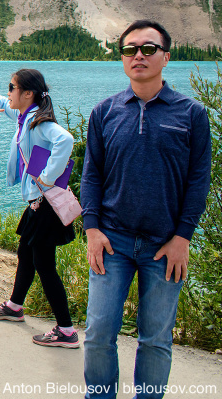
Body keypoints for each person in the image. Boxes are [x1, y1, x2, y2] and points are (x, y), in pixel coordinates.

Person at [81, 21, 211, 396]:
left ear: (166, 57)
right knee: (98, 333)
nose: (139, 55)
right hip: (112, 242)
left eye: (149, 48)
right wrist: (92, 230)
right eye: (130, 49)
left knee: (156, 338)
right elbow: (91, 177)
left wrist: (183, 237)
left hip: (165, 246)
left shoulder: (191, 114)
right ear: (122, 58)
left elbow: (198, 181)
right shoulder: (105, 112)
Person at [0, 68, 78, 348]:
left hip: (44, 203)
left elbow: (66, 140)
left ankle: (67, 331)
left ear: (28, 93)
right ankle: (14, 306)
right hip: (38, 201)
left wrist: (48, 175)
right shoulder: (24, 115)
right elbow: (2, 102)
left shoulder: (38, 121)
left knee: (44, 265)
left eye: (12, 87)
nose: (8, 92)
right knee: (26, 252)